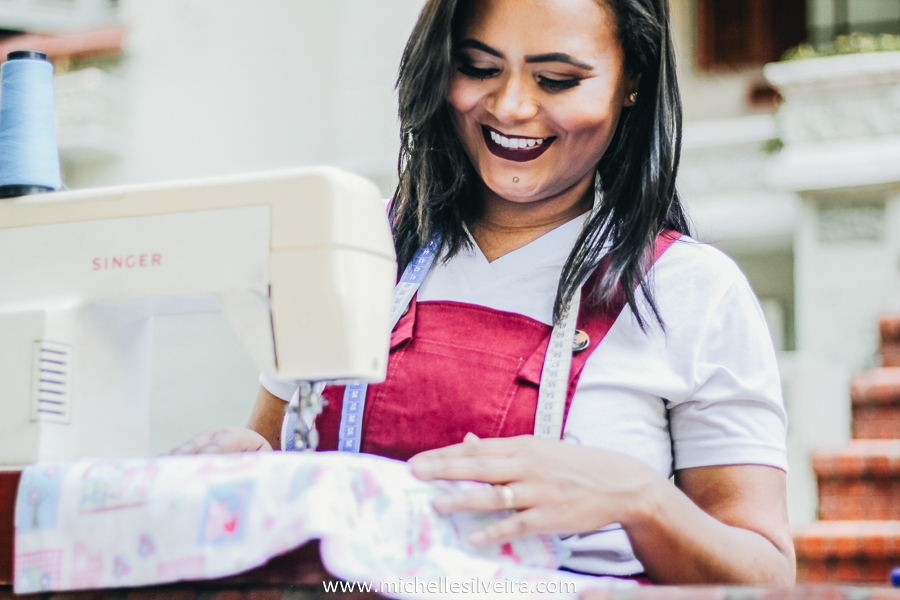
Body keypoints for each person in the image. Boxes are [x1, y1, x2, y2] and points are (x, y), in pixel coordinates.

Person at [172, 0, 795, 585]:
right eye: (478, 68)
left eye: (557, 79)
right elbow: (277, 460)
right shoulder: (348, 248)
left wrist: (641, 499)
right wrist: (244, 469)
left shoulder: (692, 292)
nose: (512, 107)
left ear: (633, 79)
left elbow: (764, 574)